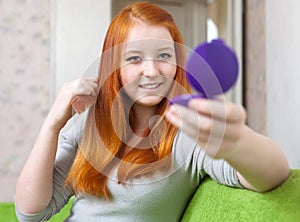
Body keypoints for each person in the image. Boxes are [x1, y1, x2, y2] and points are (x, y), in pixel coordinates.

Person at [15, 2, 289, 221]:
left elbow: (275, 175)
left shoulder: (187, 130)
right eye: (134, 58)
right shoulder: (89, 126)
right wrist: (52, 125)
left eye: (164, 56)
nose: (152, 71)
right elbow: (30, 213)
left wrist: (237, 140)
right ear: (115, 66)